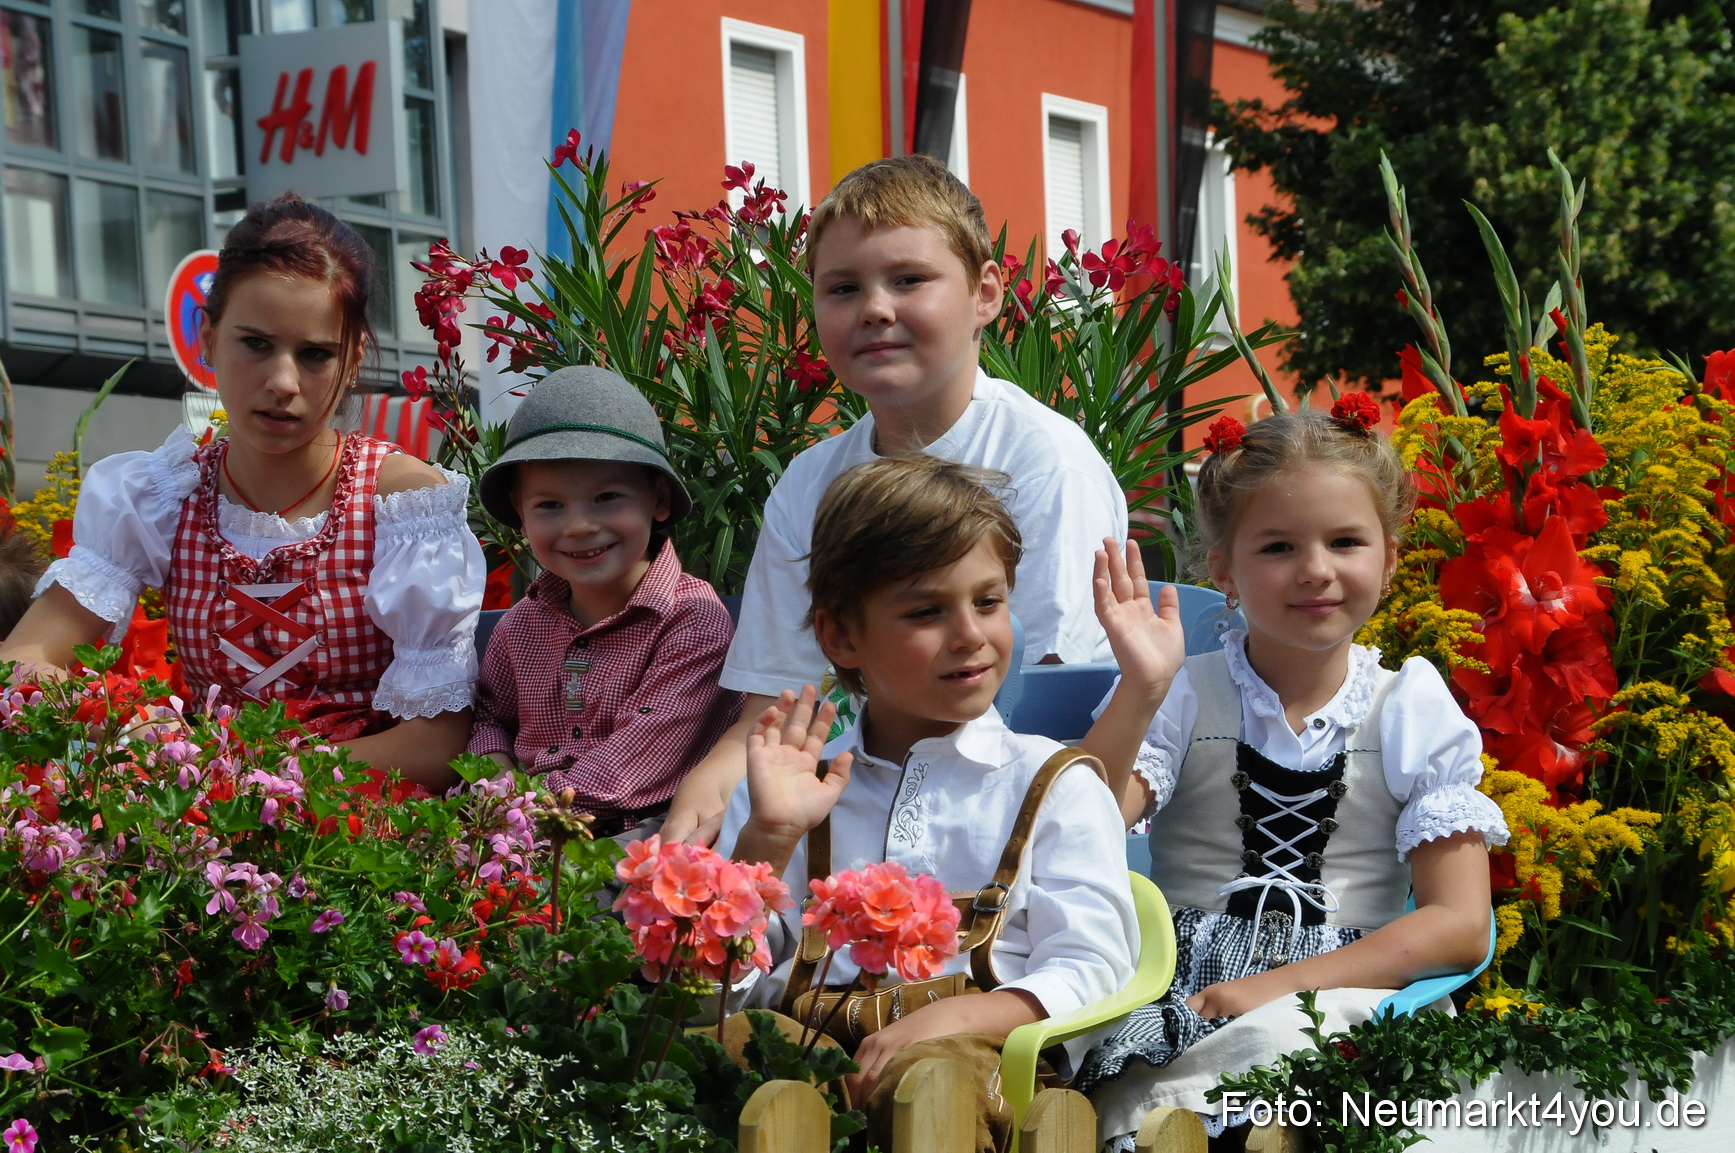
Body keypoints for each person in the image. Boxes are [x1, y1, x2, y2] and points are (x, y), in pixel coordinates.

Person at [1071, 404, 1509, 1150]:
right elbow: (1080, 828)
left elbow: (1460, 925)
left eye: (1345, 541)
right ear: (1224, 570)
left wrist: (1280, 983)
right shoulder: (1183, 690)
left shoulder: (1409, 706)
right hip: (1180, 988)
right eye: (1277, 545)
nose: (1314, 569)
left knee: (1291, 1082)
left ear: (1390, 558)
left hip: (1351, 991)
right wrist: (1140, 688)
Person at [665, 153, 1129, 844]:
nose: (875, 309)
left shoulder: (1045, 464)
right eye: (843, 288)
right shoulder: (809, 481)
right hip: (842, 785)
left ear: (986, 294)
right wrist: (708, 792)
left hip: (1003, 806)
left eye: (909, 279)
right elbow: (777, 702)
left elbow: (1038, 698)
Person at [719, 454, 1148, 1153]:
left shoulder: (1052, 781)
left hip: (981, 1056)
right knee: (725, 1047)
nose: (969, 634)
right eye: (926, 610)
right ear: (840, 636)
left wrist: (946, 1020)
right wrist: (766, 839)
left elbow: (1093, 963)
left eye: (987, 600)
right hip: (807, 1048)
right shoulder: (786, 783)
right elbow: (714, 992)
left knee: (927, 1081)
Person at [0, 195, 483, 789]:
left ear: (353, 357)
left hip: (360, 836)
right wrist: (124, 723)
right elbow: (24, 658)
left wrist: (258, 778)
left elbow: (437, 743)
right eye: (255, 344)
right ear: (207, 338)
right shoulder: (160, 495)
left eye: (314, 355)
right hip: (204, 835)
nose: (282, 382)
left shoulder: (403, 501)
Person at [466, 366, 739, 837]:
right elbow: (489, 716)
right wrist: (496, 783)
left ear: (657, 499)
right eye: (549, 505)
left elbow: (630, 768)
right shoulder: (521, 627)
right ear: (518, 510)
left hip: (643, 829)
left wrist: (520, 814)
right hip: (520, 824)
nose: (578, 527)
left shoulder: (692, 621)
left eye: (606, 497)